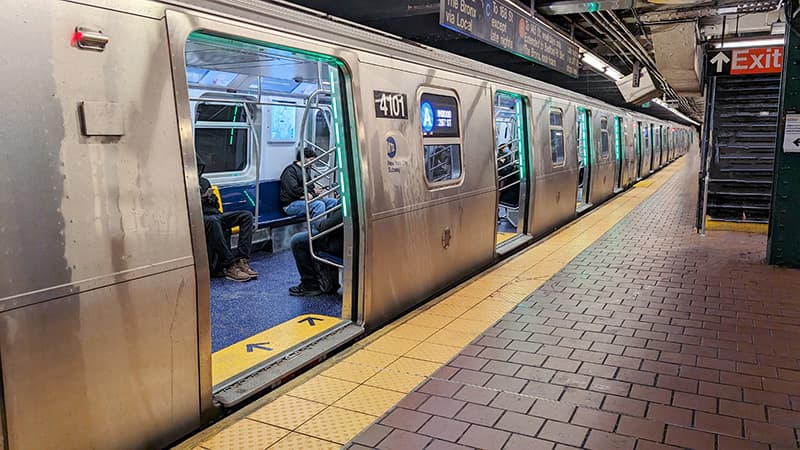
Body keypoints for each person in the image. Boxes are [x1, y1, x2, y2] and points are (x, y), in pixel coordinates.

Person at [197, 154, 258, 282]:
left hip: (214, 213)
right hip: (198, 217)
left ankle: (242, 260)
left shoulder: (204, 182)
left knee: (246, 216)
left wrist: (212, 200)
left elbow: (216, 206)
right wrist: (200, 199)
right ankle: (229, 265)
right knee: (213, 222)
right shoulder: (182, 184)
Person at [288, 206, 343, 296]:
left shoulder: (347, 202)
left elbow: (325, 226)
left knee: (297, 241)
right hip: (343, 240)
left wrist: (317, 223)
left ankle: (310, 285)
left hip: (337, 244)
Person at [280, 147, 338, 219]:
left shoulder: (306, 171)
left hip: (303, 199)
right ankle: (318, 228)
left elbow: (310, 187)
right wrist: (309, 194)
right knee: (319, 205)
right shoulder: (290, 171)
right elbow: (294, 190)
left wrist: (313, 192)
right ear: (303, 158)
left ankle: (330, 225)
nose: (312, 163)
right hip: (291, 204)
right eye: (311, 160)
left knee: (334, 202)